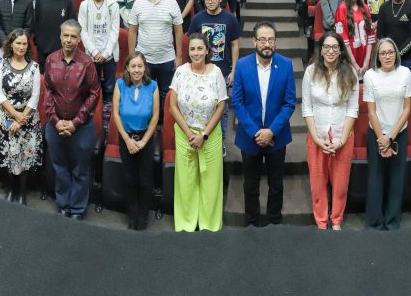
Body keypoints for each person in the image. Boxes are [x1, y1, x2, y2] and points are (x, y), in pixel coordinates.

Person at [231, 21, 297, 227]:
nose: (266, 44)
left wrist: (271, 131)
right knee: (250, 185)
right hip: (249, 137)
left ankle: (274, 221)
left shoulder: (285, 65)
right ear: (254, 41)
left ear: (275, 42)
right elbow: (237, 103)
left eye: (270, 39)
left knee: (276, 185)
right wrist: (256, 132)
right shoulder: (242, 65)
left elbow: (289, 103)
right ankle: (252, 222)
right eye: (262, 39)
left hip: (276, 138)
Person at [169, 33, 228, 231]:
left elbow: (221, 106)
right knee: (186, 182)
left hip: (210, 135)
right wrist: (189, 134)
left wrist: (203, 135)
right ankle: (186, 224)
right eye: (192, 49)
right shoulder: (180, 72)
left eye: (199, 49)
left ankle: (209, 226)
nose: (196, 53)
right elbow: (172, 106)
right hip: (185, 134)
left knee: (210, 183)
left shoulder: (216, 72)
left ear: (207, 51)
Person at [42, 20, 100, 219]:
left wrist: (75, 122)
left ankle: (76, 209)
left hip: (81, 127)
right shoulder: (50, 60)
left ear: (79, 39)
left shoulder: (87, 63)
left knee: (80, 170)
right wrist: (56, 120)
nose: (69, 40)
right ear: (60, 37)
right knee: (60, 167)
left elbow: (94, 94)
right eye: (66, 35)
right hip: (55, 125)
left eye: (73, 36)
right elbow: (48, 91)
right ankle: (63, 205)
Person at [302, 32, 359, 230]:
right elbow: (307, 108)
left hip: (342, 135)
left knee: (340, 185)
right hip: (317, 134)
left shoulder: (350, 72)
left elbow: (353, 109)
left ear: (341, 50)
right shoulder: (311, 72)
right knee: (317, 185)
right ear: (321, 49)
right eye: (327, 47)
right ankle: (321, 222)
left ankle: (336, 221)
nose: (331, 51)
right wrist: (317, 139)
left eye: (335, 47)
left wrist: (342, 140)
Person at [362, 37, 411, 230]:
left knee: (396, 179)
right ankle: (375, 223)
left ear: (396, 53)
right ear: (377, 55)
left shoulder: (405, 73)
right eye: (383, 53)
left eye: (391, 52)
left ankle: (392, 222)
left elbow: (407, 108)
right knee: (375, 179)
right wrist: (382, 139)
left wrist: (391, 137)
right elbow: (371, 111)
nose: (387, 56)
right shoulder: (370, 75)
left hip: (399, 133)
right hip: (376, 133)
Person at [0, 28, 42, 205]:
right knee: (9, 155)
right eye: (18, 43)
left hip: (27, 119)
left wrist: (22, 118)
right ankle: (10, 189)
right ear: (11, 44)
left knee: (24, 156)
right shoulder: (2, 64)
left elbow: (35, 96)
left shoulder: (34, 67)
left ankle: (21, 193)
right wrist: (14, 116)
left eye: (24, 43)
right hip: (6, 116)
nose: (21, 47)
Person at [188, 0, 241, 149]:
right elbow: (192, 45)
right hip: (200, 71)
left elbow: (234, 45)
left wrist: (234, 70)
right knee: (200, 105)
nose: (210, 2)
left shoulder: (230, 19)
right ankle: (200, 136)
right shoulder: (197, 19)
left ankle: (221, 141)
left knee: (222, 109)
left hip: (223, 72)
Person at [112, 51, 160, 230]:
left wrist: (144, 141)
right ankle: (132, 215)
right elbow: (116, 113)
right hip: (126, 138)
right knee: (130, 179)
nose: (137, 70)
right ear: (127, 68)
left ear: (145, 67)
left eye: (140, 66)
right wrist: (127, 140)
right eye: (133, 66)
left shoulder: (153, 86)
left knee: (145, 180)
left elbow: (155, 116)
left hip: (145, 139)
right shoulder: (120, 85)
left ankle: (143, 216)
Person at [127, 0, 184, 112]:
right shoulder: (138, 4)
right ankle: (147, 128)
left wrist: (179, 56)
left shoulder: (172, 3)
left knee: (166, 93)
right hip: (143, 60)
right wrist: (131, 58)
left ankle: (163, 127)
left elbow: (178, 32)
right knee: (145, 93)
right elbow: (132, 31)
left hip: (167, 58)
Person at [78, 0, 121, 140]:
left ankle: (107, 123)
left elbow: (115, 30)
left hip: (109, 54)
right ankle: (93, 122)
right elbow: (83, 31)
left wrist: (106, 52)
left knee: (109, 89)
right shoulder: (84, 5)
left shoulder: (113, 4)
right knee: (92, 89)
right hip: (91, 54)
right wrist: (95, 52)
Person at [31, 0, 74, 69]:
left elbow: (71, 25)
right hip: (42, 47)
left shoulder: (68, 0)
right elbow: (36, 22)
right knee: (43, 76)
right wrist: (38, 41)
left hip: (61, 48)